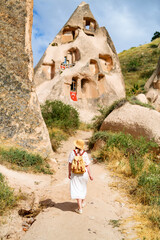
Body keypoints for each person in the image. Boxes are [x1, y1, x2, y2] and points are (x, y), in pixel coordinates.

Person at [68, 139, 93, 214]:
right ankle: (83, 202)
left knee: (76, 189)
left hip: (75, 173)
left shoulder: (72, 153)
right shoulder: (85, 153)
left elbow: (69, 164)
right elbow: (87, 165)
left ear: (76, 145)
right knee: (83, 187)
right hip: (83, 173)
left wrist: (69, 173)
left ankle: (80, 209)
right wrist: (90, 175)